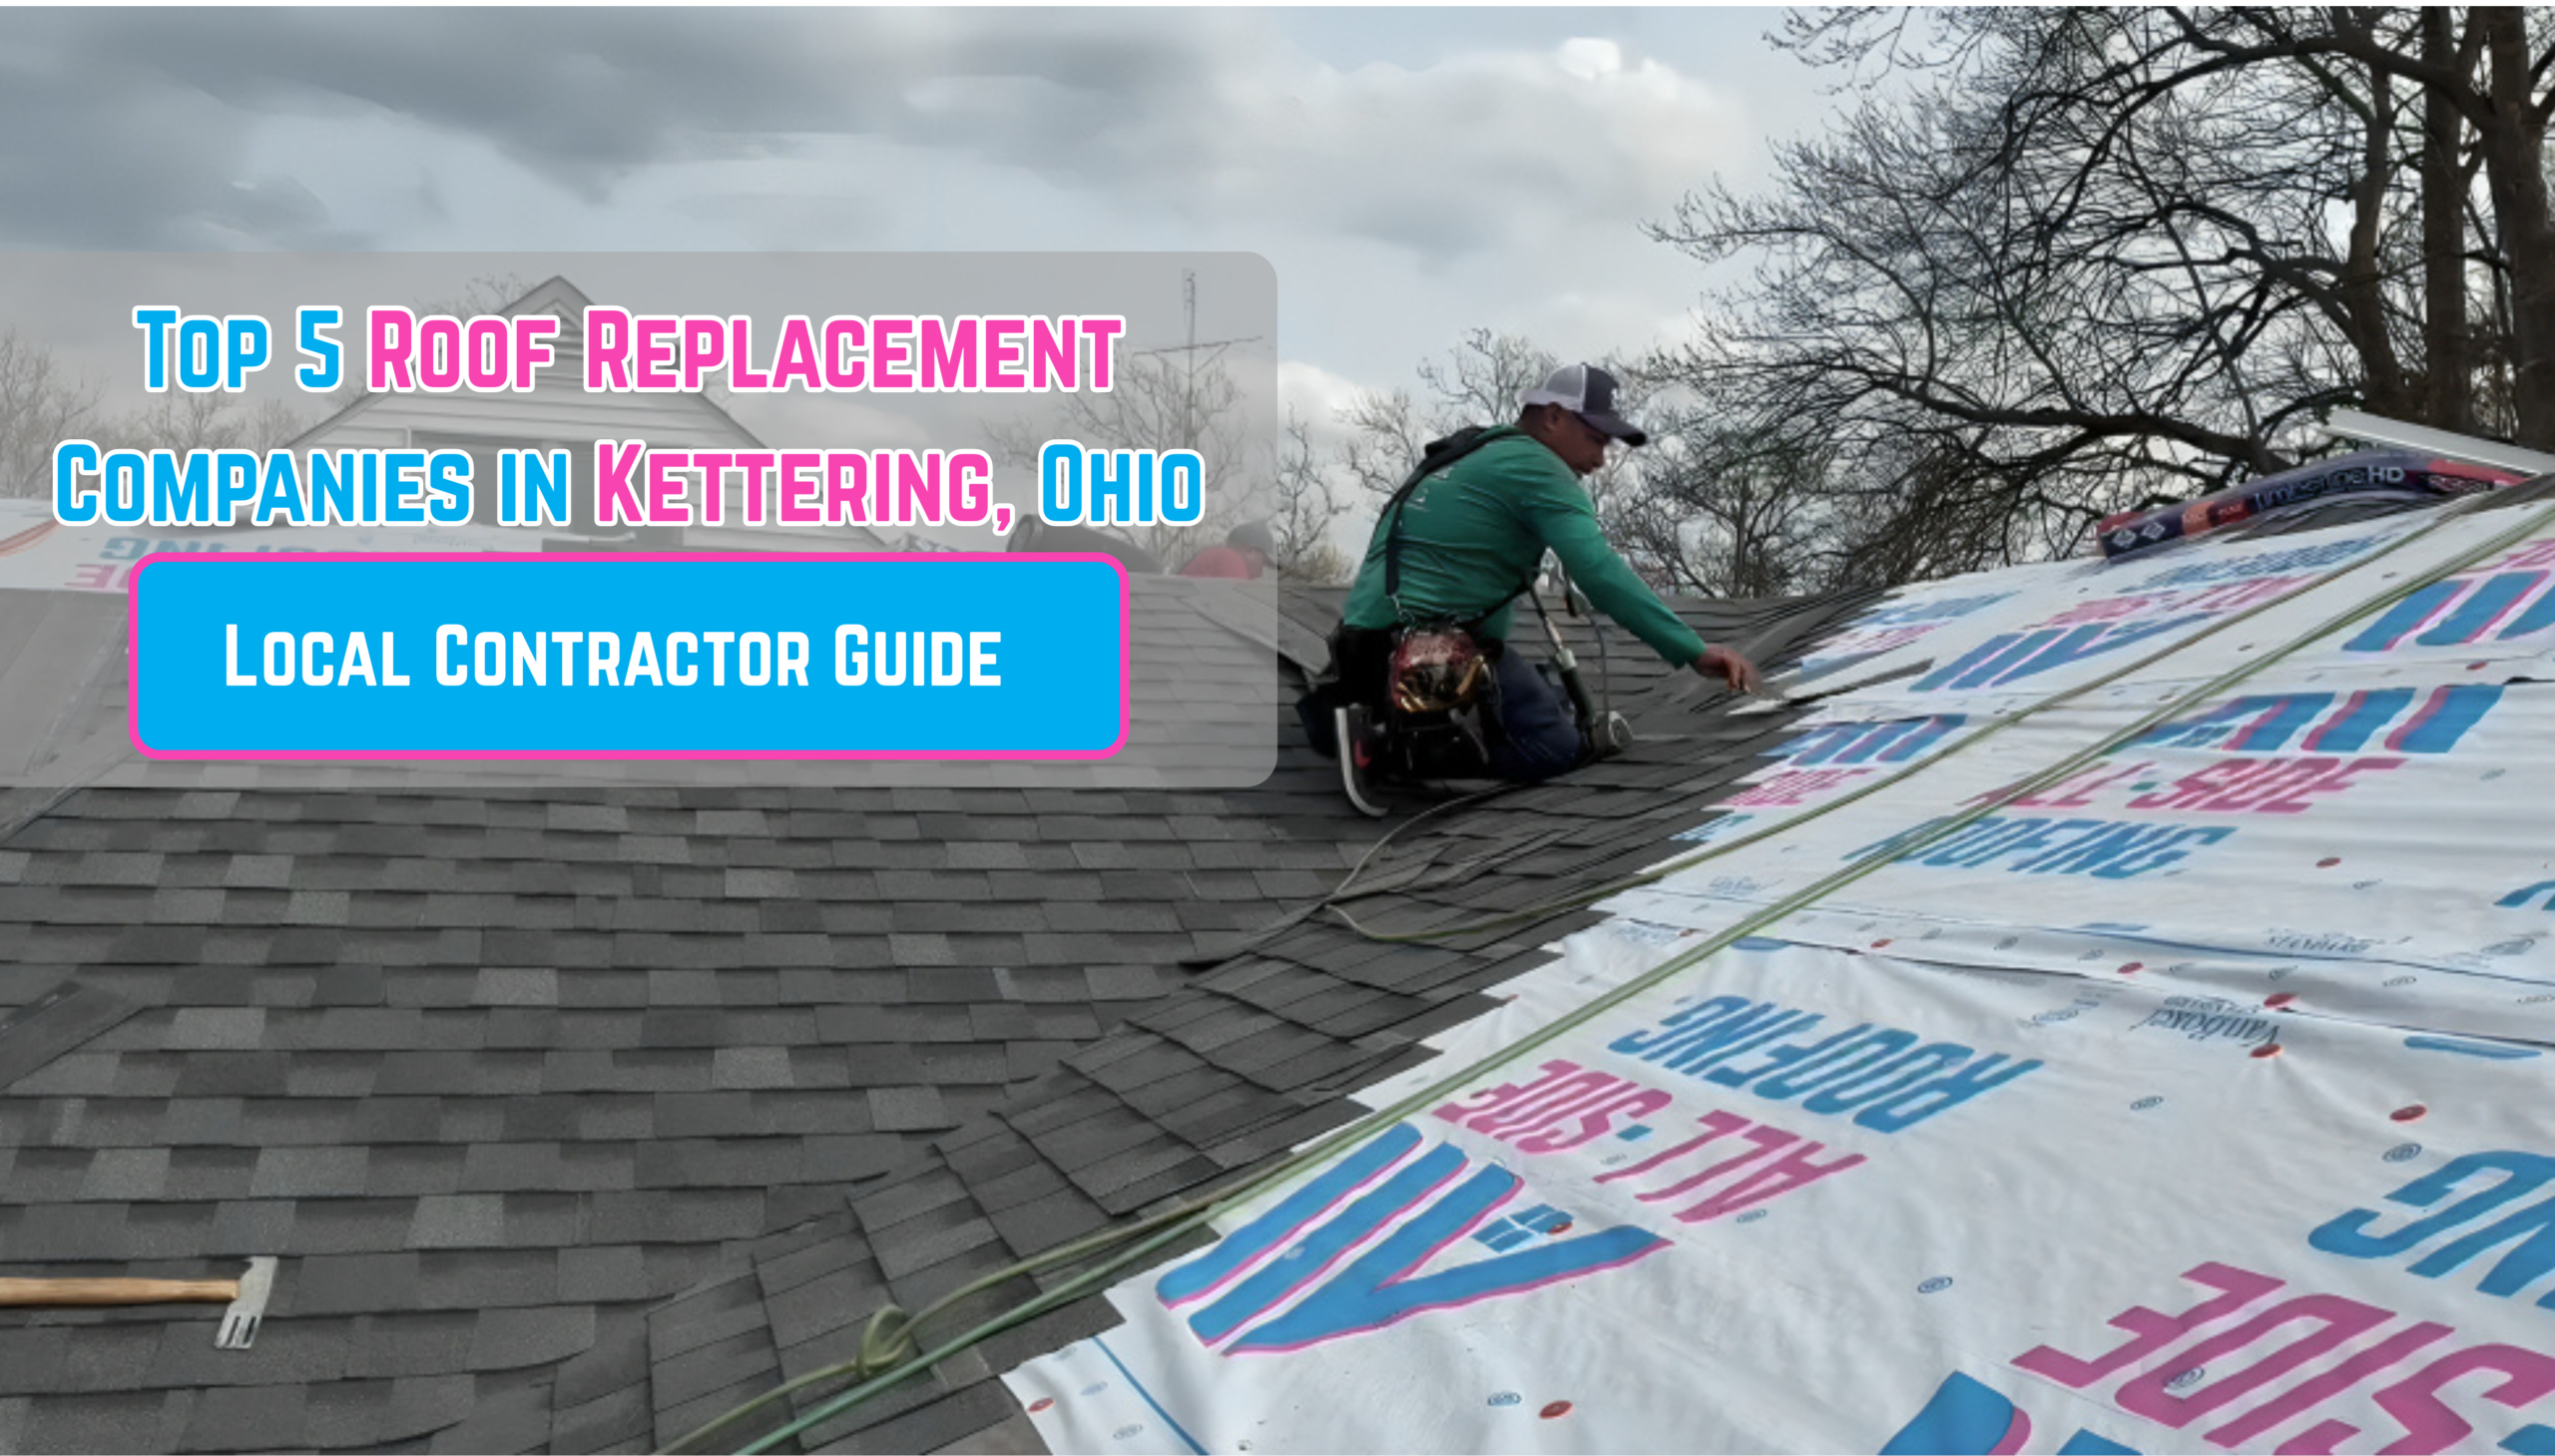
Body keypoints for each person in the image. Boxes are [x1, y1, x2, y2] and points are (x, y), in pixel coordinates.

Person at [1328, 362, 1762, 781]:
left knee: (1546, 695)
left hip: (1361, 649)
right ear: (1553, 416)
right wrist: (1693, 650)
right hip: (1423, 655)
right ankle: (1405, 746)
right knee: (1555, 748)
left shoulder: (1474, 452)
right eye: (1595, 439)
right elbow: (1600, 572)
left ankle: (1385, 720)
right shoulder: (1540, 468)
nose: (1600, 459)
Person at [1180, 520, 1274, 580]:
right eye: (1263, 562)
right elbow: (1237, 603)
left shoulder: (1219, 558)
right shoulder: (1229, 558)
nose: (1260, 573)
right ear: (1249, 550)